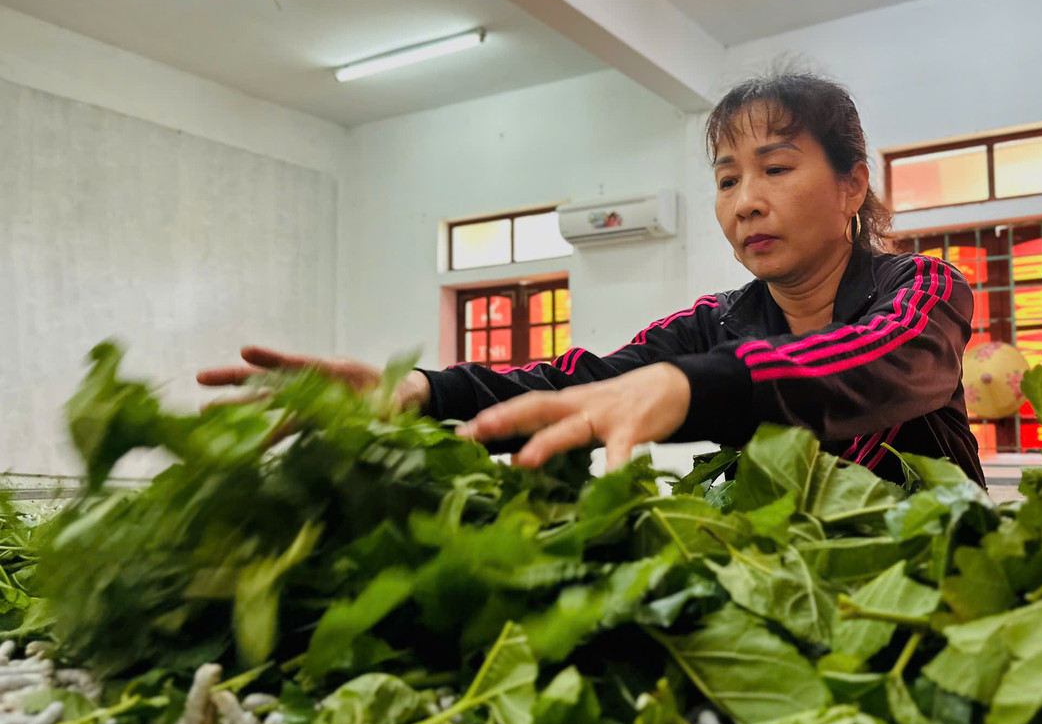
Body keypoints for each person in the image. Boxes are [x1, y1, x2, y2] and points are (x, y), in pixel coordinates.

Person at [200, 72, 983, 486]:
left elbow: (879, 364)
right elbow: (582, 378)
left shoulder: (921, 291)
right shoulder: (717, 324)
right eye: (725, 179)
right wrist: (424, 393)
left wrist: (692, 392)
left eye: (776, 168)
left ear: (851, 186)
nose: (746, 201)